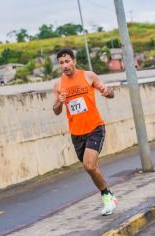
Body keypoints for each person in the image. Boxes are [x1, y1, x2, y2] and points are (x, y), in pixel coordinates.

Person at [52, 48, 118, 215]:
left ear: (74, 61)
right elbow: (56, 110)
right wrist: (59, 102)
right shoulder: (58, 85)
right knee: (91, 167)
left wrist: (107, 91)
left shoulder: (88, 76)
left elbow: (110, 93)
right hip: (77, 133)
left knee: (89, 166)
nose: (65, 65)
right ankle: (109, 194)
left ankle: (107, 198)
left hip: (95, 127)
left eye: (67, 61)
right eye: (61, 63)